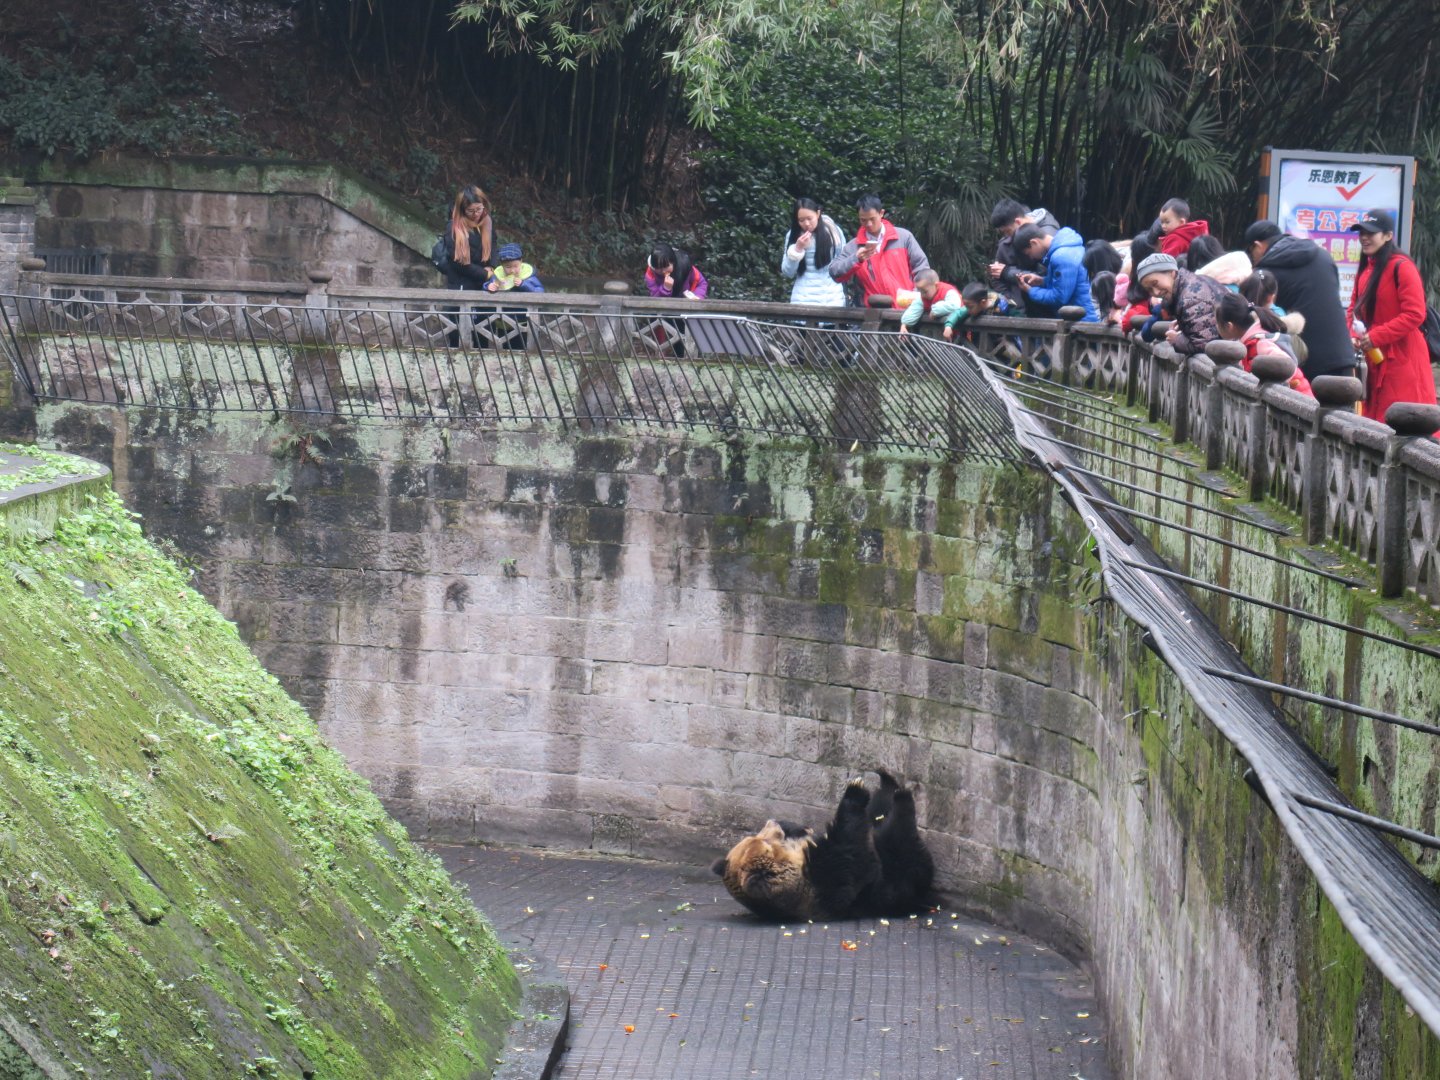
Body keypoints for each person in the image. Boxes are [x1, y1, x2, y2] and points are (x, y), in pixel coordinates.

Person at [1345, 208, 1439, 424]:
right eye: (1361, 233)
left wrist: (1377, 335)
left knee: (1406, 422)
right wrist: (1353, 335)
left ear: (1388, 236)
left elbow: (1415, 314)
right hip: (1375, 356)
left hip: (1403, 358)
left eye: (1371, 233)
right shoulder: (1365, 269)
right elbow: (1353, 309)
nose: (1364, 238)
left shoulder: (1402, 267)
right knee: (1375, 423)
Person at [1245, 219, 1354, 381]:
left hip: (1304, 365)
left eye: (1250, 252)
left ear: (1258, 245)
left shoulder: (1266, 273)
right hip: (1343, 357)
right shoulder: (1323, 256)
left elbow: (1258, 317)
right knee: (1342, 406)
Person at [829, 194, 930, 308]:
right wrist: (856, 259)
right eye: (863, 220)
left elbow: (922, 269)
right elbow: (834, 272)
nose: (868, 224)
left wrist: (916, 296)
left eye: (872, 219)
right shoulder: (853, 247)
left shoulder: (903, 237)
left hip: (907, 309)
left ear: (881, 213)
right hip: (872, 314)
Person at [1215, 292, 1313, 397]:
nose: (1215, 326)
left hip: (1297, 400)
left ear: (1229, 326)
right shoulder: (1249, 342)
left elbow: (1288, 366)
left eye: (1216, 323)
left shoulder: (1261, 343)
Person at [1135, 252, 1227, 355]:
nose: (1155, 292)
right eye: (1149, 289)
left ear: (1172, 272)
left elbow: (1203, 343)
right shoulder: (1189, 283)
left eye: (1155, 283)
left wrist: (1176, 340)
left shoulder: (1191, 298)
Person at [1012, 222, 1100, 321]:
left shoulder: (1061, 257)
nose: (1031, 257)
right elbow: (1068, 283)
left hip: (1084, 320)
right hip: (1083, 315)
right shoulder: (1067, 247)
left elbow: (1060, 297)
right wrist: (1042, 281)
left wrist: (1031, 291)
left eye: (1028, 253)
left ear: (1034, 243)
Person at [988, 198, 1060, 309]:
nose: (1006, 236)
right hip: (1020, 307)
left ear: (1018, 222)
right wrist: (1011, 302)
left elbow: (1044, 276)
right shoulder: (1007, 241)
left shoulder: (1047, 236)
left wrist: (1007, 272)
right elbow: (996, 275)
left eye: (1007, 231)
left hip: (1049, 305)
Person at [781, 198, 847, 307]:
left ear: (818, 213)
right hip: (802, 301)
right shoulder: (792, 235)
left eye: (809, 218)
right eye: (801, 220)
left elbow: (843, 264)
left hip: (832, 300)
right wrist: (797, 249)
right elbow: (788, 272)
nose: (806, 223)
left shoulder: (834, 232)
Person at [438, 184, 495, 291]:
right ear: (463, 209)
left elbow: (493, 246)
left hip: (485, 283)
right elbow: (458, 262)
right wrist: (485, 274)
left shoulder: (487, 222)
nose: (476, 214)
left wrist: (491, 267)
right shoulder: (453, 227)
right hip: (461, 282)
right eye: (470, 210)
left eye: (479, 209)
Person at [899, 269, 962, 335]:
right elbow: (914, 309)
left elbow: (954, 305)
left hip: (959, 330)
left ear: (936, 286)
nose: (922, 294)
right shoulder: (923, 298)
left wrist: (935, 311)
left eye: (925, 292)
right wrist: (904, 325)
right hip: (941, 334)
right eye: (920, 291)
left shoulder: (948, 291)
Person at [943, 282, 1013, 341]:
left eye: (970, 307)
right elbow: (958, 313)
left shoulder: (1002, 306)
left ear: (983, 302)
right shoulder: (972, 307)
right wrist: (948, 326)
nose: (967, 309)